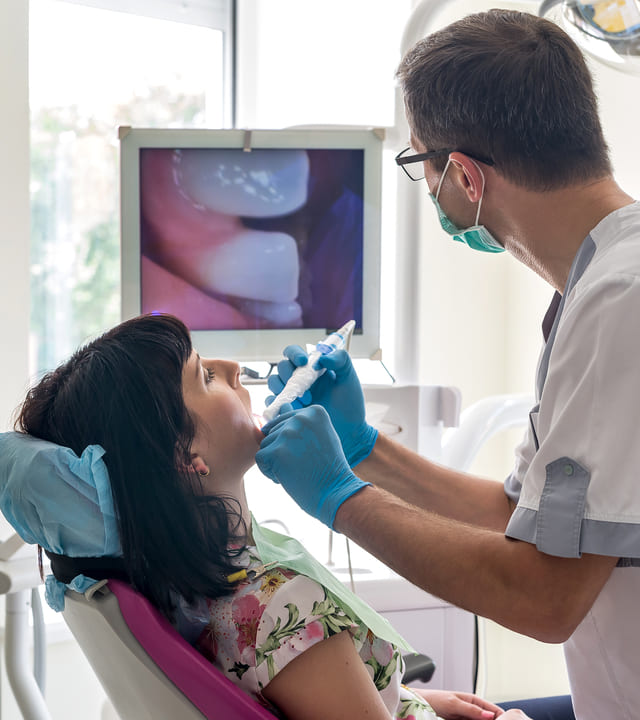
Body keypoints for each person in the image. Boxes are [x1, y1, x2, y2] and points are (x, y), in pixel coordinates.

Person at [255, 9, 640, 720]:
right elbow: (514, 515)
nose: (427, 186)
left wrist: (341, 498)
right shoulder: (591, 291)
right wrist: (366, 450)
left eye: (418, 164)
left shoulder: (623, 302)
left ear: (463, 174)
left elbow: (545, 598)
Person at [0, 314, 527, 720]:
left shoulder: (196, 598)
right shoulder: (279, 605)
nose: (233, 369)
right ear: (184, 458)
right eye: (205, 375)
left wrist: (403, 699)